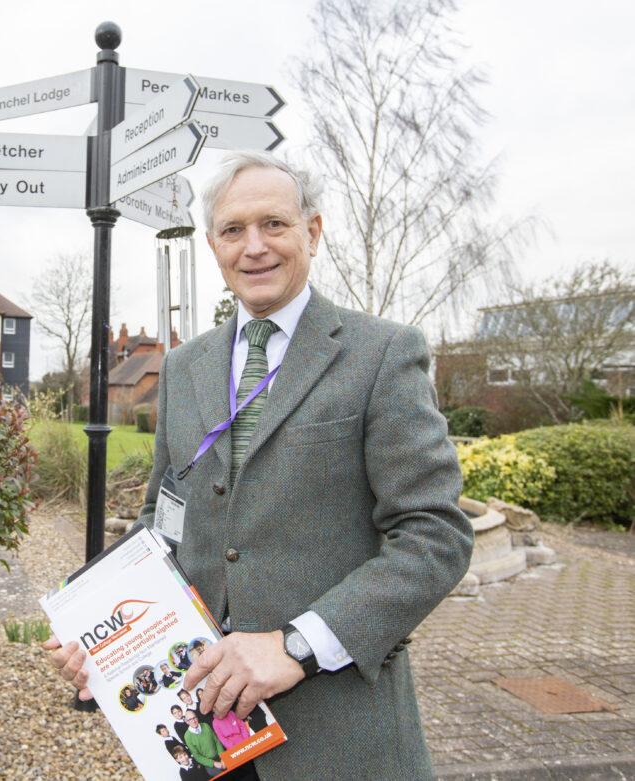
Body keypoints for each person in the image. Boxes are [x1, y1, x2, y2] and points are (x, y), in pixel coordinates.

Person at [43, 152, 473, 779]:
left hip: (335, 736)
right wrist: (102, 634)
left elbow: (435, 536)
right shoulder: (185, 365)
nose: (254, 248)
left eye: (274, 224)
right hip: (206, 734)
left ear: (313, 232)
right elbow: (163, 521)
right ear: (213, 245)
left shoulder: (381, 354)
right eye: (233, 230)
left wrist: (297, 646)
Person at [182, 710, 226, 777]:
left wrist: (222, 757)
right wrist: (214, 763)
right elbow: (197, 756)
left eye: (194, 718)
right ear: (187, 722)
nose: (193, 721)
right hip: (209, 762)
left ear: (197, 717)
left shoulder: (205, 726)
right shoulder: (187, 736)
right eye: (190, 719)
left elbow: (217, 741)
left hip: (219, 755)